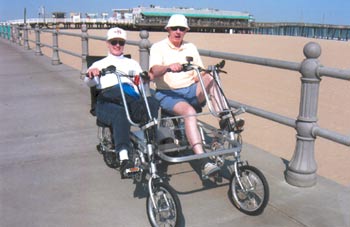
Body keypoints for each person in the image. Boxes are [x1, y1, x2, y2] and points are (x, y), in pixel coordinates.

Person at [149, 14, 228, 177]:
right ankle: (202, 160)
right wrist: (168, 67)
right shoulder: (158, 47)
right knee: (189, 113)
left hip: (190, 90)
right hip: (168, 93)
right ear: (168, 30)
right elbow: (154, 71)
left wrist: (209, 72)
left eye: (182, 29)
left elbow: (198, 71)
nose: (178, 32)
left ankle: (225, 119)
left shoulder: (190, 47)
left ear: (186, 31)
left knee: (212, 76)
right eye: (175, 28)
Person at [85, 27, 159, 178]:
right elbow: (89, 82)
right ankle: (124, 159)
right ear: (108, 43)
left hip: (130, 98)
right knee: (120, 112)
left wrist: (144, 79)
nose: (117, 45)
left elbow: (141, 85)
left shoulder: (132, 64)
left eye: (121, 42)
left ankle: (150, 146)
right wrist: (92, 74)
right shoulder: (100, 63)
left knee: (153, 103)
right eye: (114, 42)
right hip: (107, 101)